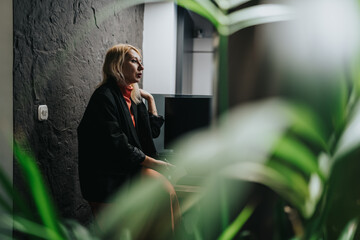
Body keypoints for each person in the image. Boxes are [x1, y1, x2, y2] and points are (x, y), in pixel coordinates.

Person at [77, 44, 180, 237]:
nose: (141, 67)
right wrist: (155, 163)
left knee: (168, 193)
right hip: (106, 178)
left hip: (127, 171)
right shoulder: (104, 97)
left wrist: (150, 100)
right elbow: (118, 144)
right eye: (134, 61)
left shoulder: (133, 96)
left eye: (141, 62)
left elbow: (152, 133)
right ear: (117, 65)